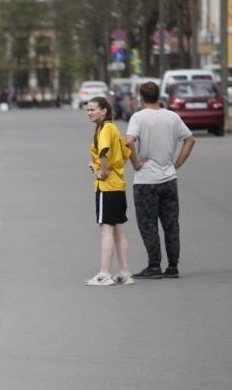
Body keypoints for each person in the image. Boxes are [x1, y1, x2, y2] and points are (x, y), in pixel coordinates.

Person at [125, 81, 195, 279]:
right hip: (168, 178)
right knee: (171, 223)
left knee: (148, 223)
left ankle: (154, 265)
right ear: (159, 96)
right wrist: (177, 163)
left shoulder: (138, 118)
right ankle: (173, 266)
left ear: (141, 97)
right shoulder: (172, 116)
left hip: (146, 180)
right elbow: (190, 139)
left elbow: (129, 141)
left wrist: (136, 162)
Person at [84, 96, 133, 286]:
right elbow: (125, 152)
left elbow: (104, 152)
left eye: (92, 109)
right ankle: (124, 272)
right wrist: (110, 168)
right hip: (118, 185)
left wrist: (103, 172)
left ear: (104, 111)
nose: (89, 113)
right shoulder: (113, 128)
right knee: (118, 230)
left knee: (105, 230)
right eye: (87, 110)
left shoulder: (104, 129)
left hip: (107, 187)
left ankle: (104, 274)